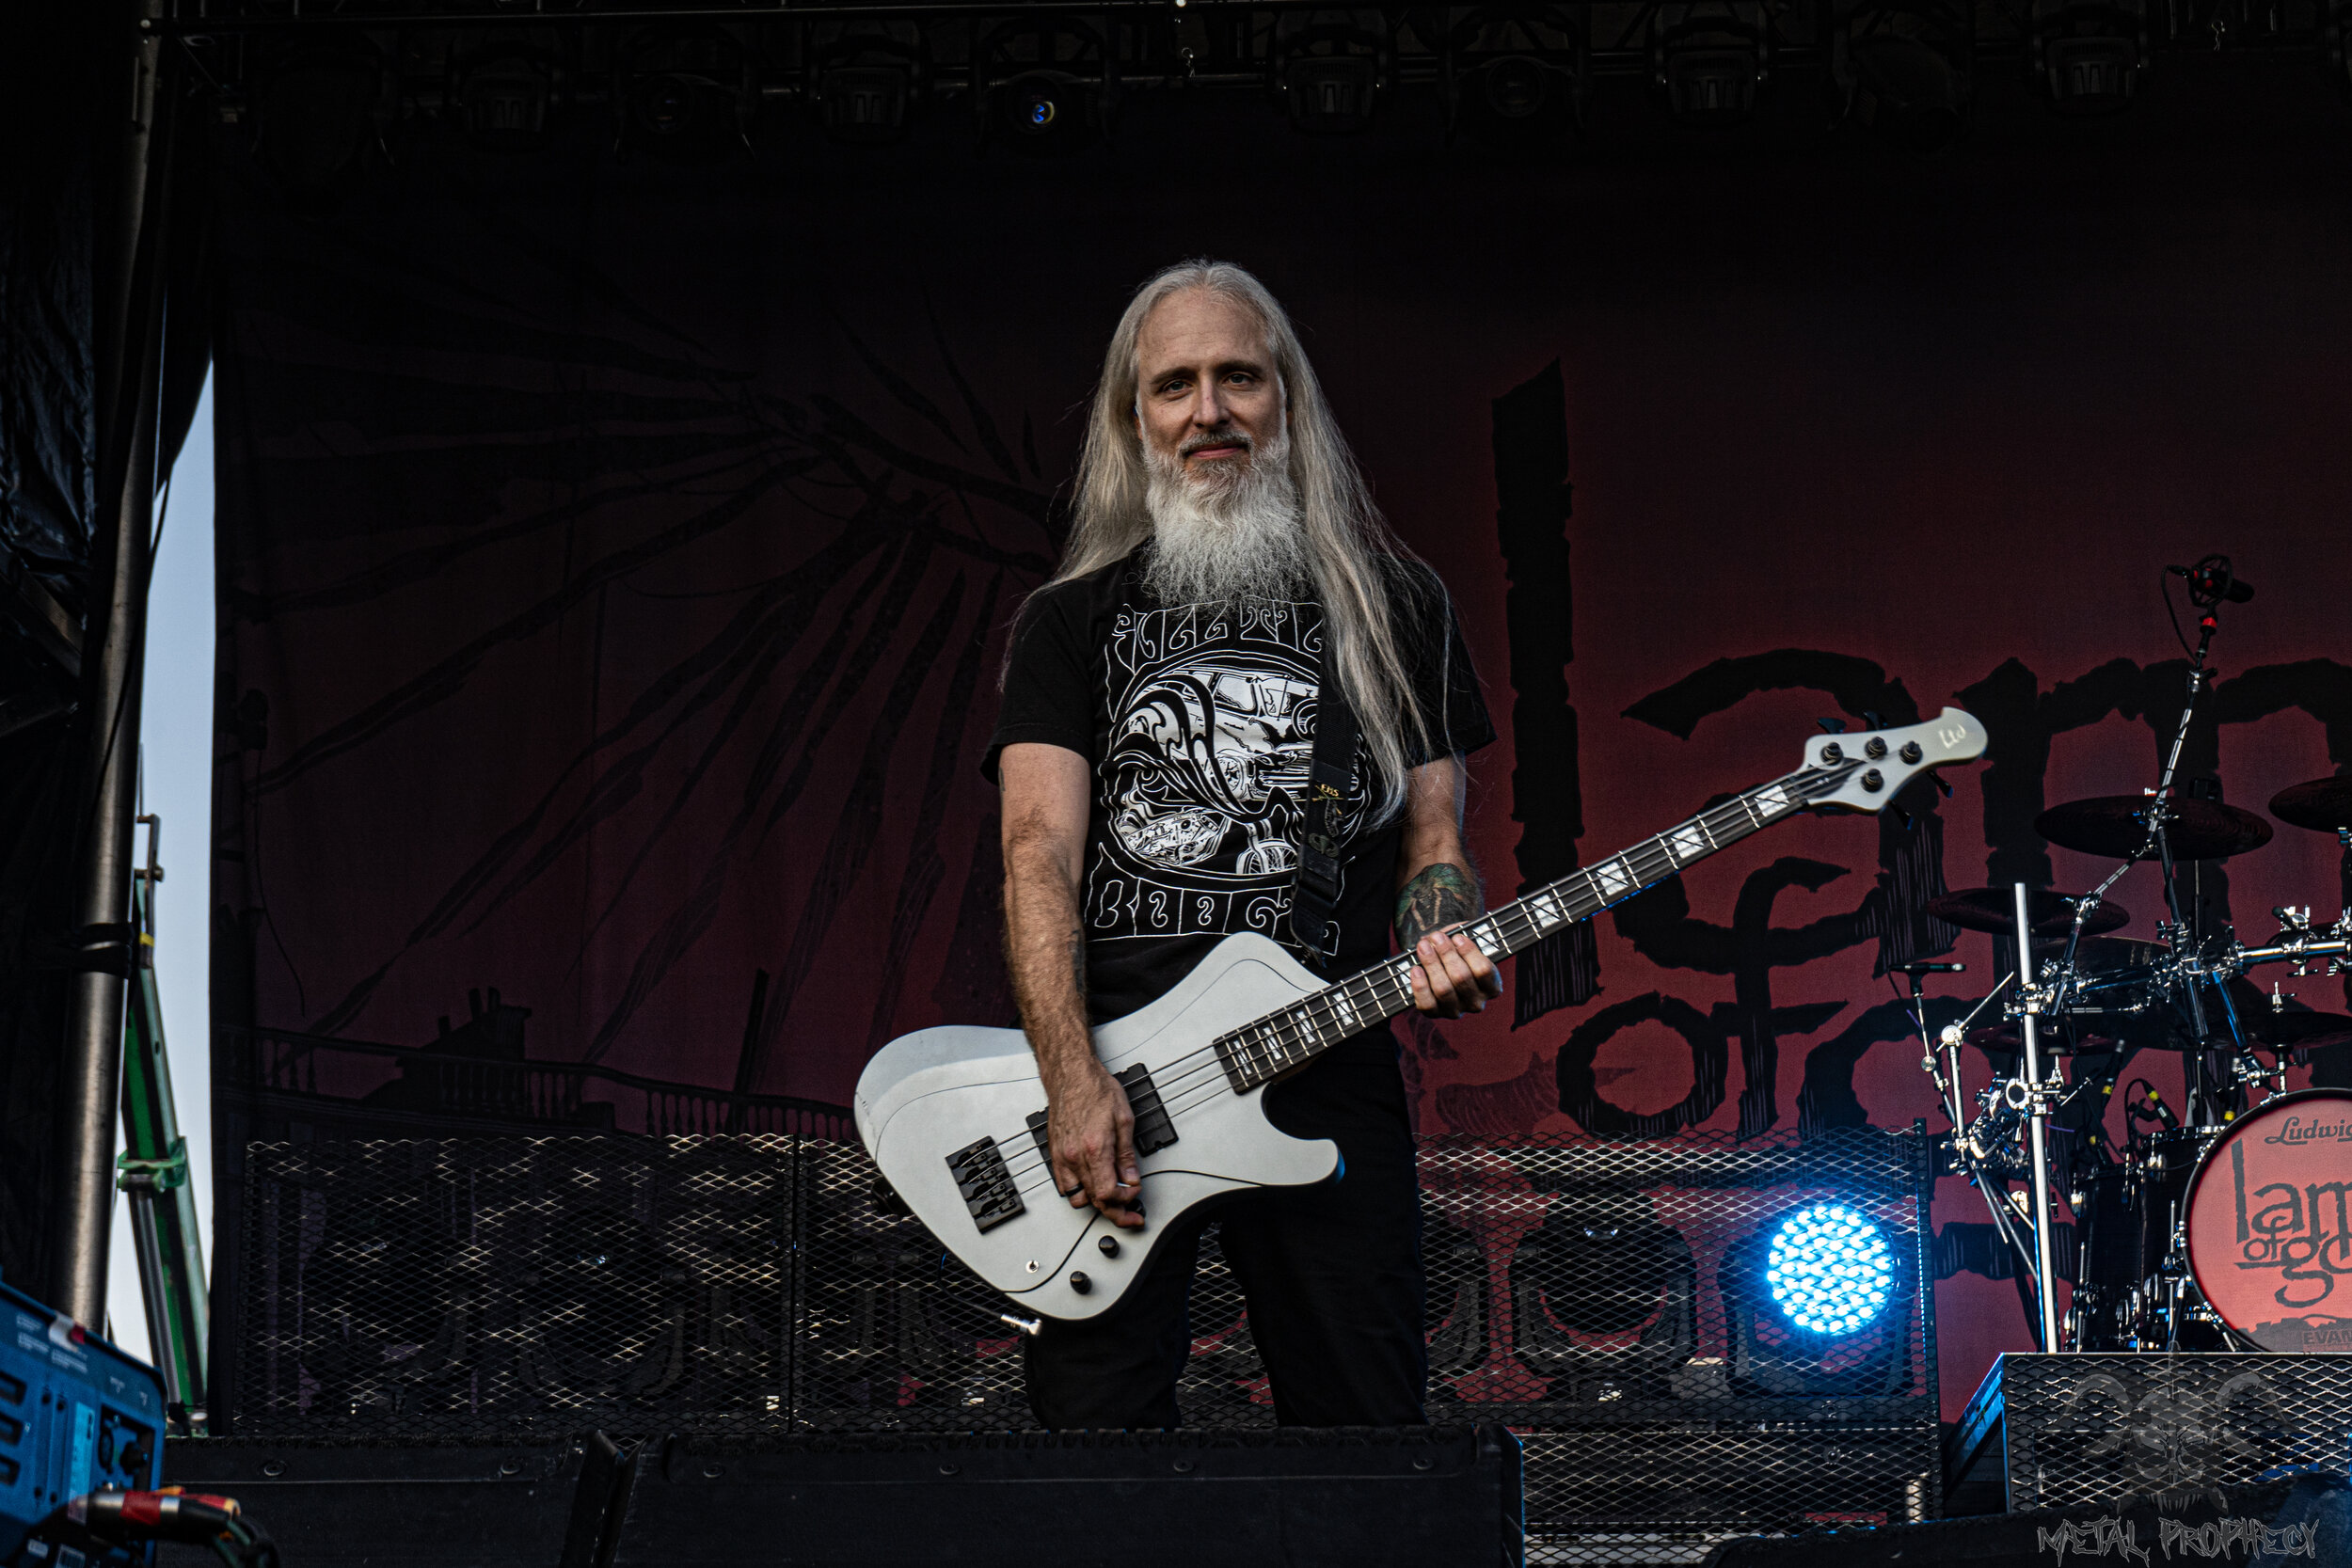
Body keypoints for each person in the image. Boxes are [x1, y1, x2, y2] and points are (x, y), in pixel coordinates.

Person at [981, 259, 1501, 1430]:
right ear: (1136, 421)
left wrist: (1447, 925)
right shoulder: (1069, 624)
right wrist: (1073, 1079)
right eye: (1173, 386)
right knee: (1096, 1442)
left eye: (1238, 378)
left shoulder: (1394, 605)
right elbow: (1035, 859)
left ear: (1287, 402)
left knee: (1364, 1422)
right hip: (1116, 1081)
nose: (1208, 410)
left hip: (1327, 1065)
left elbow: (1431, 840)